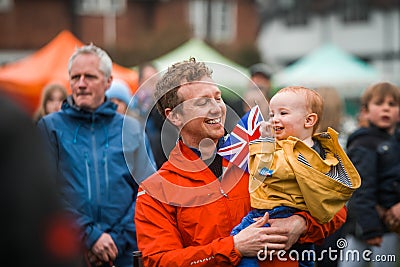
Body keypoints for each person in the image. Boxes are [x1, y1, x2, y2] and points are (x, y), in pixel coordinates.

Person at [134, 58, 350, 267]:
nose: (216, 108)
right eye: (202, 102)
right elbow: (160, 261)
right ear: (175, 116)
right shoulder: (156, 190)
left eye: (218, 98)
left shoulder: (265, 152)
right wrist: (234, 247)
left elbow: (336, 208)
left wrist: (301, 224)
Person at [37, 44, 155, 267]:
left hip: (123, 255)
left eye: (90, 76)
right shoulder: (49, 128)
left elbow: (149, 191)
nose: (81, 84)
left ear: (108, 81)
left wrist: (115, 241)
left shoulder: (131, 129)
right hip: (69, 253)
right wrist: (89, 237)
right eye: (75, 77)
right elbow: (42, 192)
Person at [231, 86, 360, 267]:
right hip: (291, 217)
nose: (274, 120)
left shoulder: (298, 150)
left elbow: (268, 173)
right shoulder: (313, 148)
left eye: (283, 113)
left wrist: (265, 144)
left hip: (274, 213)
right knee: (303, 257)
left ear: (309, 120)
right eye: (272, 115)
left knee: (239, 247)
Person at [0, 92, 82, 267]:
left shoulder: (11, 121)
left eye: (60, 99)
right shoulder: (34, 125)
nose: (55, 103)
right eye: (51, 99)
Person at [339, 82, 400, 267]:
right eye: (379, 103)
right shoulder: (363, 142)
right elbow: (361, 190)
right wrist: (371, 229)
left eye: (392, 104)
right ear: (365, 111)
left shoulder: (396, 141)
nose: (386, 109)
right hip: (365, 225)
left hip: (391, 224)